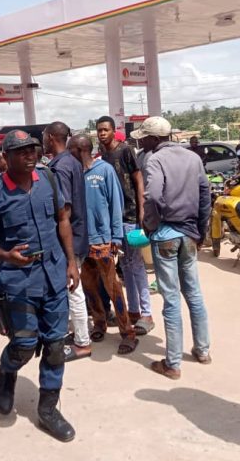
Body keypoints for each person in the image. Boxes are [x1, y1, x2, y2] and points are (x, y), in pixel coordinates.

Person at [0, 130, 79, 442]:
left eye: (32, 149)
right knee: (23, 345)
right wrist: (6, 255)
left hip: (54, 275)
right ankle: (7, 372)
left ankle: (48, 409)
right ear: (6, 157)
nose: (30, 155)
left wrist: (71, 262)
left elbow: (62, 220)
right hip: (18, 281)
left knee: (56, 346)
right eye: (21, 152)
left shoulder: (48, 180)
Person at [132, 116, 211, 379]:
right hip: (189, 233)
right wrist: (201, 231)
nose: (141, 143)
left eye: (144, 138)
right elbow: (205, 195)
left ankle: (173, 363)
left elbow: (153, 196)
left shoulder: (155, 159)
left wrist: (150, 225)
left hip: (165, 232)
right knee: (194, 293)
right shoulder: (193, 158)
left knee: (171, 299)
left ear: (154, 138)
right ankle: (202, 350)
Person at [70, 134, 138, 355]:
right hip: (82, 243)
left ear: (81, 150)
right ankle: (99, 323)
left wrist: (116, 237)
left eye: (71, 150)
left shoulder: (104, 171)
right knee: (89, 286)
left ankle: (127, 332)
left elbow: (116, 204)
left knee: (113, 287)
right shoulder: (73, 173)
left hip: (103, 241)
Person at [97, 116, 153, 334]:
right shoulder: (103, 156)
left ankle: (146, 313)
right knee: (125, 266)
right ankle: (134, 311)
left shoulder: (126, 150)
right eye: (99, 130)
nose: (102, 133)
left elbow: (138, 180)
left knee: (135, 264)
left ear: (113, 131)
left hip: (130, 216)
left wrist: (141, 210)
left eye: (106, 129)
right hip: (115, 219)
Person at [43, 123, 91, 361]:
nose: (43, 140)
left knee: (73, 289)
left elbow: (65, 210)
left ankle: (82, 342)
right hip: (77, 234)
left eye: (44, 136)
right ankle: (78, 334)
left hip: (69, 237)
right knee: (72, 288)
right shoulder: (70, 162)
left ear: (51, 137)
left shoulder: (60, 166)